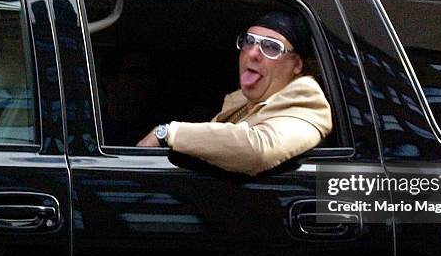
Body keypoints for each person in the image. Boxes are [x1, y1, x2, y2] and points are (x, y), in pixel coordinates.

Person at [137, 11, 332, 175]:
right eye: (249, 41)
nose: (253, 53)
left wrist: (169, 133)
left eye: (271, 46)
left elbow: (258, 149)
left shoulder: (308, 104)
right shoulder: (242, 101)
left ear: (297, 64)